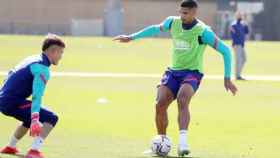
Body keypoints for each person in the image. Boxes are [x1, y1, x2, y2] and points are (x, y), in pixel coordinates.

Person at [114, 0, 237, 156]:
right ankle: (161, 143)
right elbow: (154, 29)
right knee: (159, 104)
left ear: (194, 13)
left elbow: (226, 51)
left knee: (182, 99)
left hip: (192, 73)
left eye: (185, 13)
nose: (182, 16)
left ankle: (183, 144)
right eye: (180, 12)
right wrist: (132, 37)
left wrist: (227, 78)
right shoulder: (172, 22)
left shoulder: (203, 32)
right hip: (172, 72)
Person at [0, 34, 65, 158]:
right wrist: (35, 119)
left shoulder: (32, 58)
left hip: (4, 99)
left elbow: (10, 74)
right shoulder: (42, 69)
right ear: (52, 51)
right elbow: (37, 95)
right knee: (52, 117)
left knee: (28, 118)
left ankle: (10, 147)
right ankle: (34, 151)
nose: (61, 56)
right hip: (12, 102)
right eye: (60, 52)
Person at [230, 11, 249, 80]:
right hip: (236, 45)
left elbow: (247, 32)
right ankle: (237, 76)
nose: (240, 16)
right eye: (239, 15)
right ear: (236, 16)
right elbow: (233, 36)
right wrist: (234, 45)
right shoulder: (234, 25)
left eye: (241, 15)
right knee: (238, 60)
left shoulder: (242, 24)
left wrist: (246, 22)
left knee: (244, 59)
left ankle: (238, 74)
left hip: (242, 45)